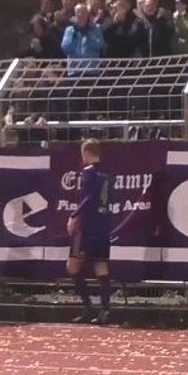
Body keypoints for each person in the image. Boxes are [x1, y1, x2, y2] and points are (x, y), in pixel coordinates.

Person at [67, 139, 114, 324]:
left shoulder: (88, 172)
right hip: (103, 224)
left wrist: (74, 215)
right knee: (101, 266)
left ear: (85, 152)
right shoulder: (109, 174)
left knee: (72, 266)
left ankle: (88, 306)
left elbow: (90, 197)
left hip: (87, 225)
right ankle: (105, 310)